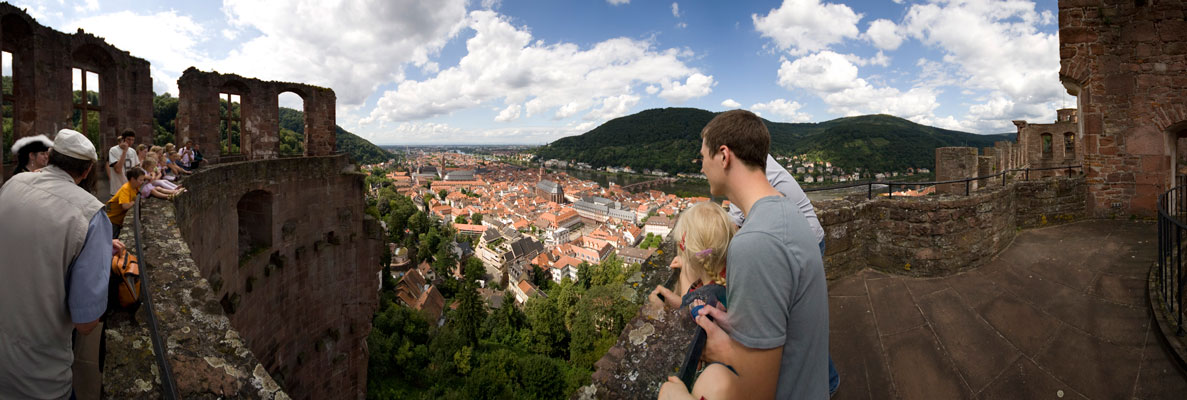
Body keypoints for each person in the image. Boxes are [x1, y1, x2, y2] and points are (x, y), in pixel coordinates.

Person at [670, 110, 829, 399]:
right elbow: (787, 320)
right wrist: (736, 322)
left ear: (723, 156)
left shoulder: (754, 243)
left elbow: (759, 391)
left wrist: (680, 395)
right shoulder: (786, 211)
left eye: (703, 157)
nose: (702, 168)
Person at [0, 128, 120, 399]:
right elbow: (86, 322)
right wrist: (95, 253)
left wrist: (88, 250)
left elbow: (29, 236)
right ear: (88, 170)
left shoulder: (13, 185)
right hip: (38, 376)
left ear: (51, 156)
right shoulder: (90, 214)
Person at [727, 154, 840, 396]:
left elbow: (731, 227)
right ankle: (829, 381)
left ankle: (825, 382)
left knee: (794, 325)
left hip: (802, 242)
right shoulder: (758, 164)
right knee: (803, 321)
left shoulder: (748, 173)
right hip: (807, 237)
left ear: (727, 155)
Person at [106, 167, 148, 239]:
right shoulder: (126, 189)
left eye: (143, 180)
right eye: (140, 180)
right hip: (113, 219)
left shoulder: (135, 186)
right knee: (112, 239)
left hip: (118, 219)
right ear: (132, 179)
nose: (142, 182)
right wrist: (134, 202)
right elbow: (125, 206)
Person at [106, 130, 140, 196]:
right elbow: (118, 169)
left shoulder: (133, 151)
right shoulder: (113, 150)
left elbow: (136, 169)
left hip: (130, 188)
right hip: (117, 189)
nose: (130, 142)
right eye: (128, 139)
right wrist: (124, 151)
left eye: (132, 140)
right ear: (123, 139)